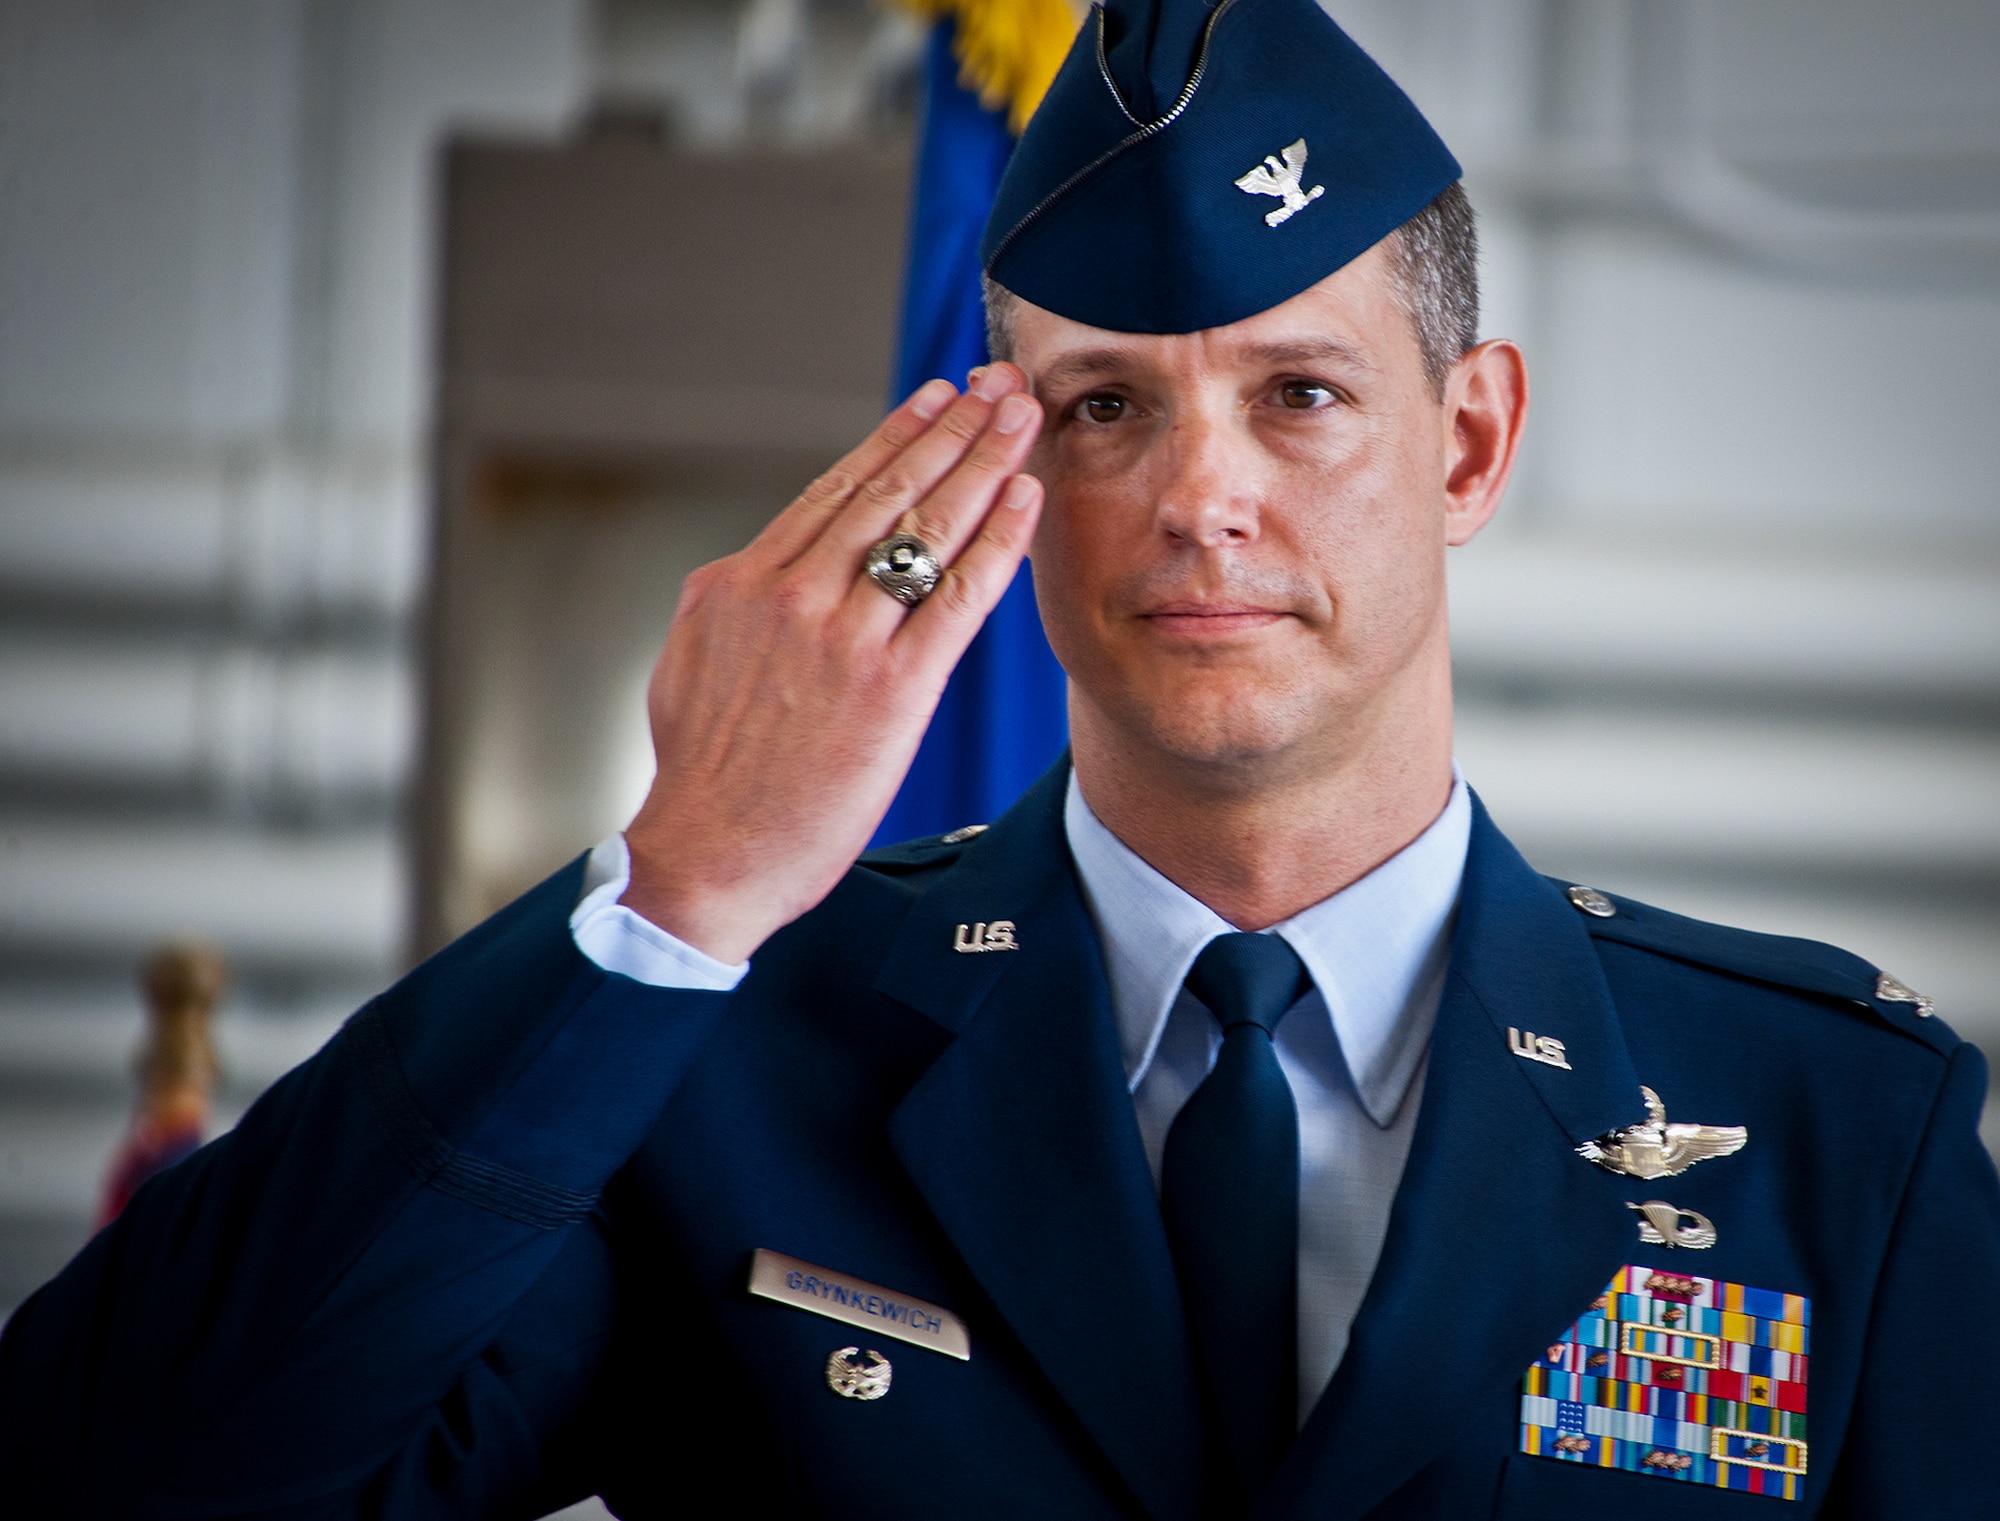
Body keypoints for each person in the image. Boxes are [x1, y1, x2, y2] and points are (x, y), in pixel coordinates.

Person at [4, 0, 1996, 1514]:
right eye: (1104, 407)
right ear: (1001, 462)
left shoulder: (1829, 1131)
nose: (1198, 496)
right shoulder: (725, 1062)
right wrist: (676, 893)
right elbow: (127, 1468)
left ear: (1466, 442)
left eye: (1298, 392)